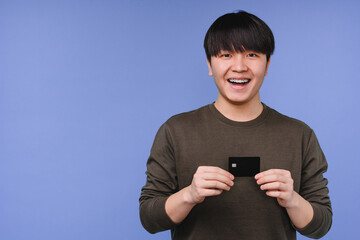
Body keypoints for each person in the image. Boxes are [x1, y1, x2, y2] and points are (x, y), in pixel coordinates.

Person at [139, 10, 332, 239]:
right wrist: (189, 195)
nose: (239, 67)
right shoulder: (175, 131)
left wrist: (292, 200)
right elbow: (149, 219)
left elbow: (321, 225)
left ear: (267, 64)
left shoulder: (299, 134)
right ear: (210, 64)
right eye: (226, 55)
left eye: (251, 54)